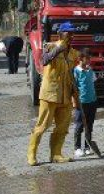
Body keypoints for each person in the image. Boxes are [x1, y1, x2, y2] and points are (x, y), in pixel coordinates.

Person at [26, 22, 78, 166]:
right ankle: (31, 154)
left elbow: (72, 73)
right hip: (50, 94)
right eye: (69, 33)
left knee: (62, 127)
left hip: (65, 95)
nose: (71, 36)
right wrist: (58, 49)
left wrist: (75, 94)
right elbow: (43, 61)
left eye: (73, 33)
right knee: (42, 126)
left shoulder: (73, 53)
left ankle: (56, 154)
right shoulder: (50, 46)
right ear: (61, 34)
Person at [73, 48, 98, 158]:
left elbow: (93, 84)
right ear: (80, 59)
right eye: (86, 58)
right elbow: (73, 88)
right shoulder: (76, 71)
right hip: (81, 102)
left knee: (89, 125)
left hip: (92, 101)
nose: (89, 61)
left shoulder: (90, 70)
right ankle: (77, 148)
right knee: (79, 125)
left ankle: (87, 146)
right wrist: (74, 100)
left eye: (90, 58)